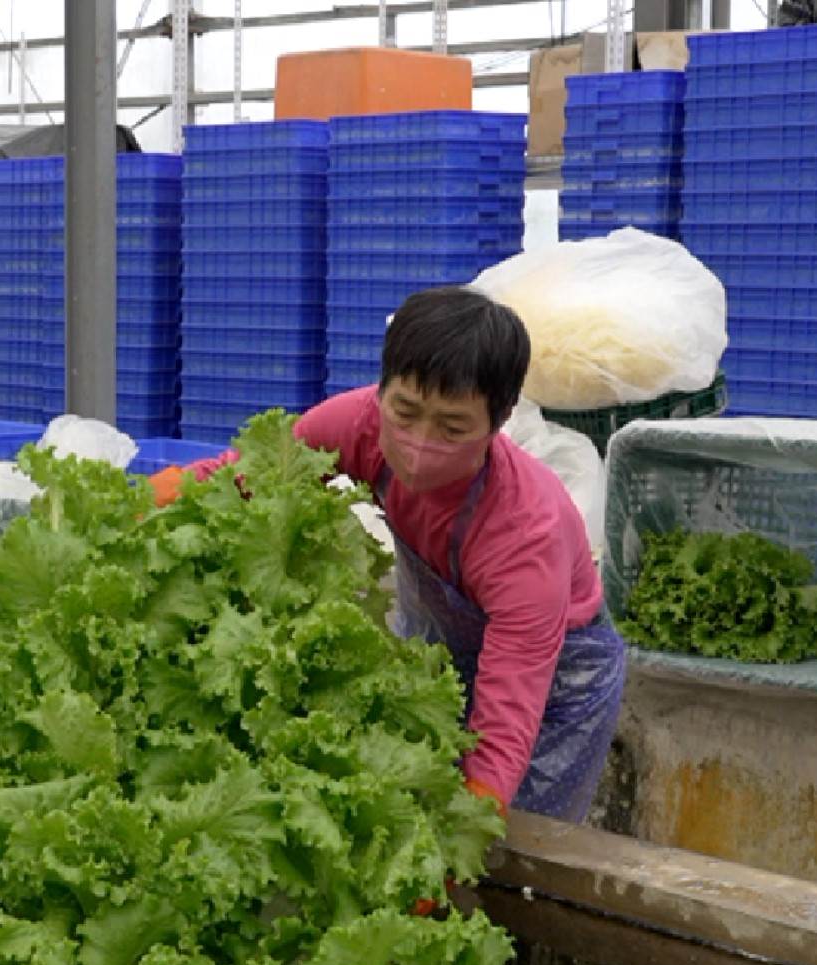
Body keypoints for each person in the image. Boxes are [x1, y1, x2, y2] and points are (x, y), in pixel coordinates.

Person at [151, 286, 625, 823]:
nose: (419, 442)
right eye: (405, 411)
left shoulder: (524, 533)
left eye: (452, 427)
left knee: (516, 842)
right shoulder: (357, 424)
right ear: (383, 388)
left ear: (499, 420)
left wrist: (472, 814)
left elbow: (508, 712)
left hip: (558, 680)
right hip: (440, 649)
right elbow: (255, 472)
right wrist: (163, 493)